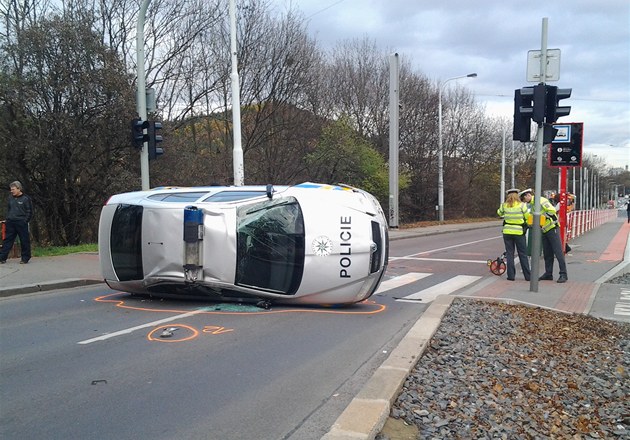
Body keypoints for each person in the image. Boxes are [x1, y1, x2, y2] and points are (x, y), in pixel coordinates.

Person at [519, 188, 567, 283]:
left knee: (558, 252)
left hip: (552, 228)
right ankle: (548, 273)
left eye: (525, 200)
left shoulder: (540, 201)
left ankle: (563, 274)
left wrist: (542, 217)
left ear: (528, 195)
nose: (525, 202)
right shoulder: (532, 204)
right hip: (544, 230)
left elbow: (552, 210)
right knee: (547, 253)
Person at [497, 188, 531, 281]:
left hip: (507, 231)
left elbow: (499, 213)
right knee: (522, 254)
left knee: (510, 254)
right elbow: (528, 217)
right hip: (519, 232)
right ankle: (527, 276)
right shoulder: (522, 205)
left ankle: (511, 276)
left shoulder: (504, 205)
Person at [0, 181, 33, 264]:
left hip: (21, 222)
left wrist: (25, 221)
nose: (12, 191)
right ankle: (2, 257)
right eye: (11, 189)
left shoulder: (26, 198)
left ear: (19, 189)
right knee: (7, 240)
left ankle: (25, 258)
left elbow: (29, 211)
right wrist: (7, 219)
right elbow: (9, 210)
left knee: (24, 240)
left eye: (13, 189)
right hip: (11, 222)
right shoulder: (10, 198)